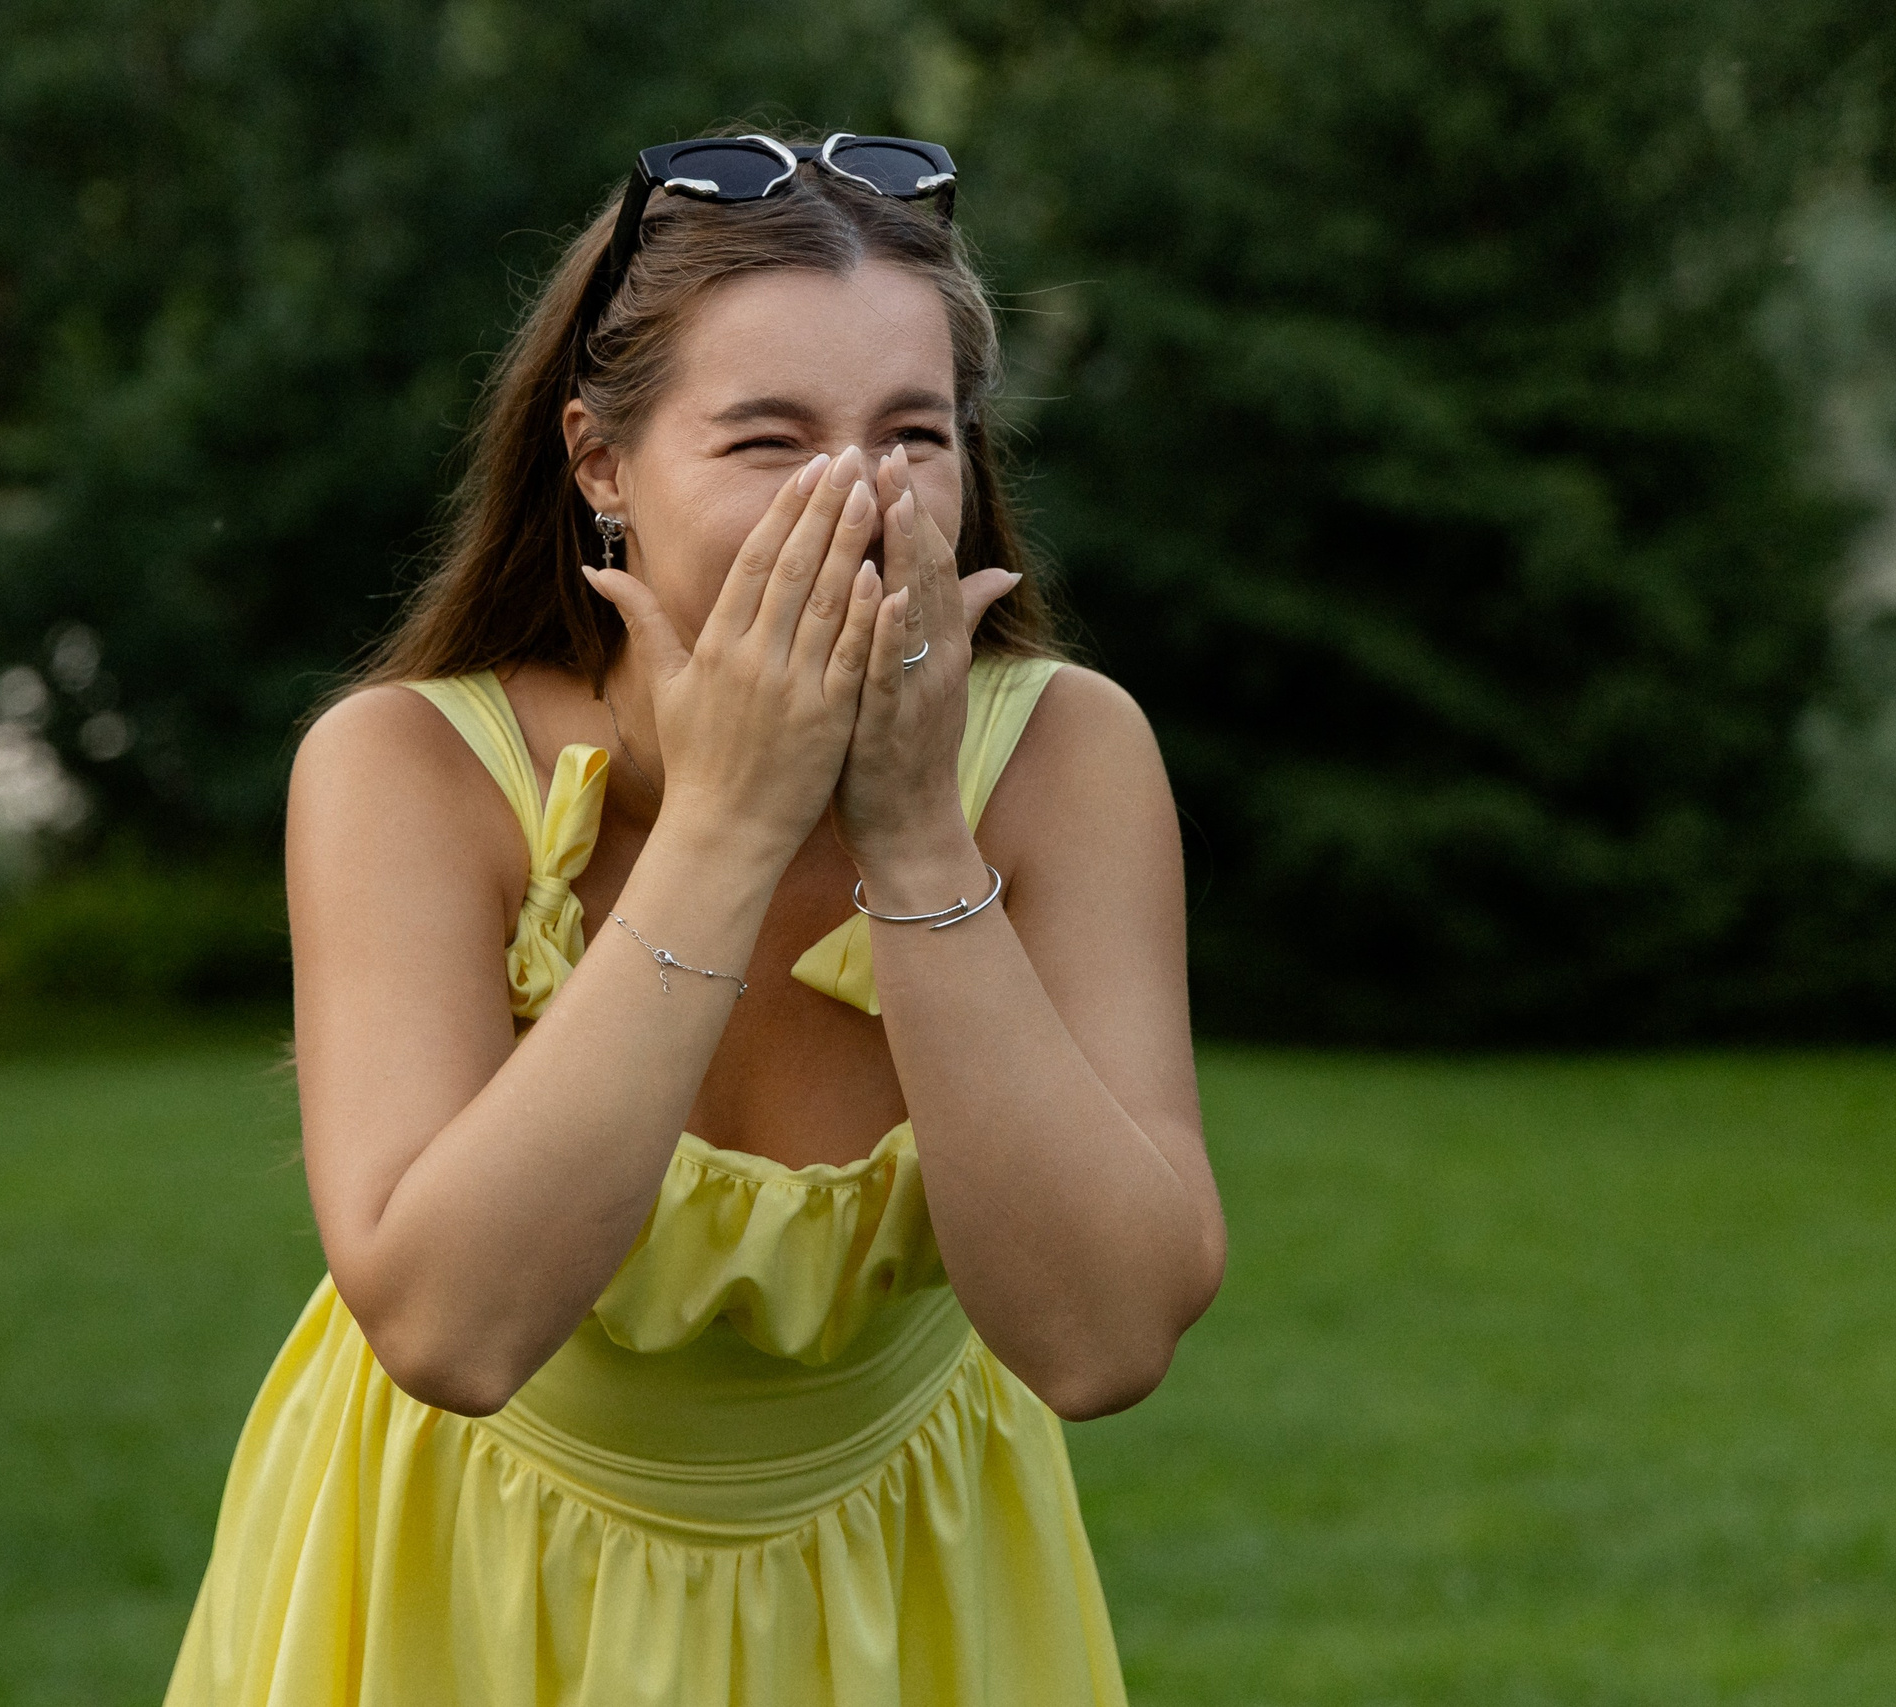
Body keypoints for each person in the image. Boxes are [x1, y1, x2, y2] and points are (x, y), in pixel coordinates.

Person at [163, 129, 1224, 1707]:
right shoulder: (405, 770)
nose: (855, 498)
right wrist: (728, 823)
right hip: (461, 1592)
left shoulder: (1066, 756)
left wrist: (916, 836)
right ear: (601, 466)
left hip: (912, 1596)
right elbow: (451, 1330)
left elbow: (1106, 1340)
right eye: (767, 441)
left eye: (912, 432)